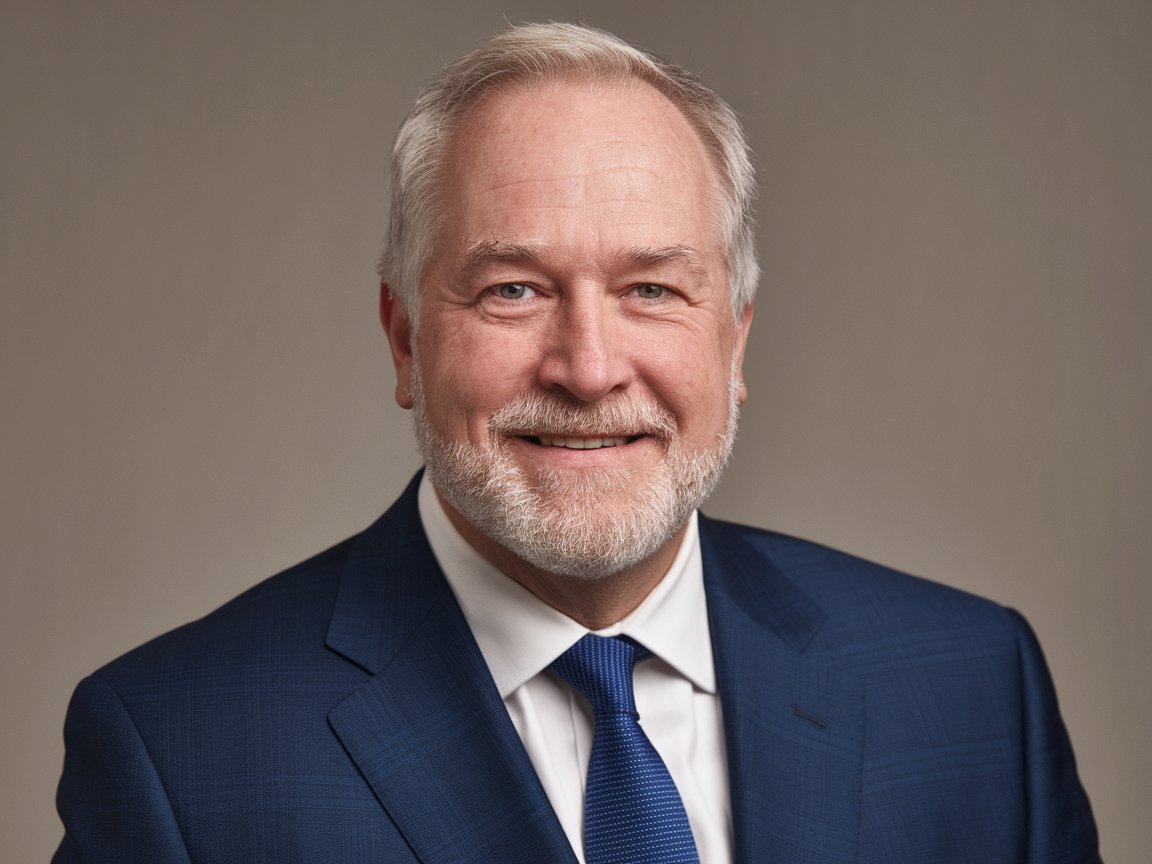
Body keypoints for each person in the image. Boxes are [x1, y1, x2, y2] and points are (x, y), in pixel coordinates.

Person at [53, 22, 1100, 864]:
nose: (589, 367)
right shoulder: (178, 754)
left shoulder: (971, 688)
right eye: (513, 290)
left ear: (734, 340)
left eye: (652, 289)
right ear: (406, 339)